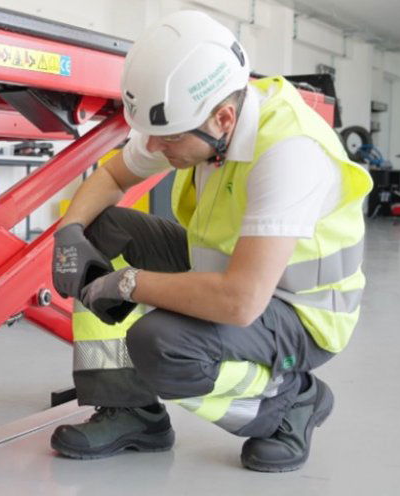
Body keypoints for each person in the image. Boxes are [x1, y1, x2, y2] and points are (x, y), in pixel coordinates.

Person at [49, 10, 372, 472]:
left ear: (223, 118)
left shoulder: (289, 152)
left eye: (168, 140)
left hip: (299, 311)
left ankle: (288, 401)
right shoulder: (201, 120)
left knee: (162, 344)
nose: (155, 149)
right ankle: (131, 409)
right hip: (228, 270)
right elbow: (114, 175)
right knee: (103, 231)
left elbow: (241, 301)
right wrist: (70, 234)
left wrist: (127, 284)